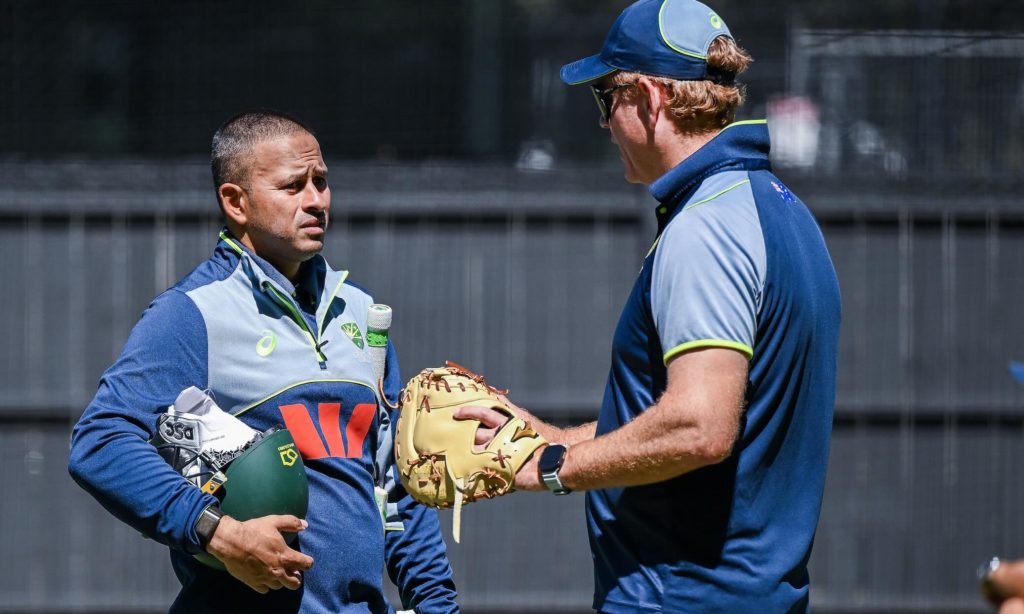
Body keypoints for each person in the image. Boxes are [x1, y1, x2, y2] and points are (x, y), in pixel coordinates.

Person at [460, 0, 840, 611]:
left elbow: (700, 426)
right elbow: (707, 415)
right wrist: (549, 436)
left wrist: (556, 466)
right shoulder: (782, 211)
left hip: (682, 595)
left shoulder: (707, 227)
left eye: (606, 98)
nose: (606, 122)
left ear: (650, 98)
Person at [69, 110, 459, 613]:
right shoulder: (191, 314)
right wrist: (216, 531)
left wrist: (436, 603)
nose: (316, 200)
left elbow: (399, 483)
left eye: (321, 181)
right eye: (293, 186)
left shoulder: (362, 313)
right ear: (235, 202)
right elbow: (100, 443)